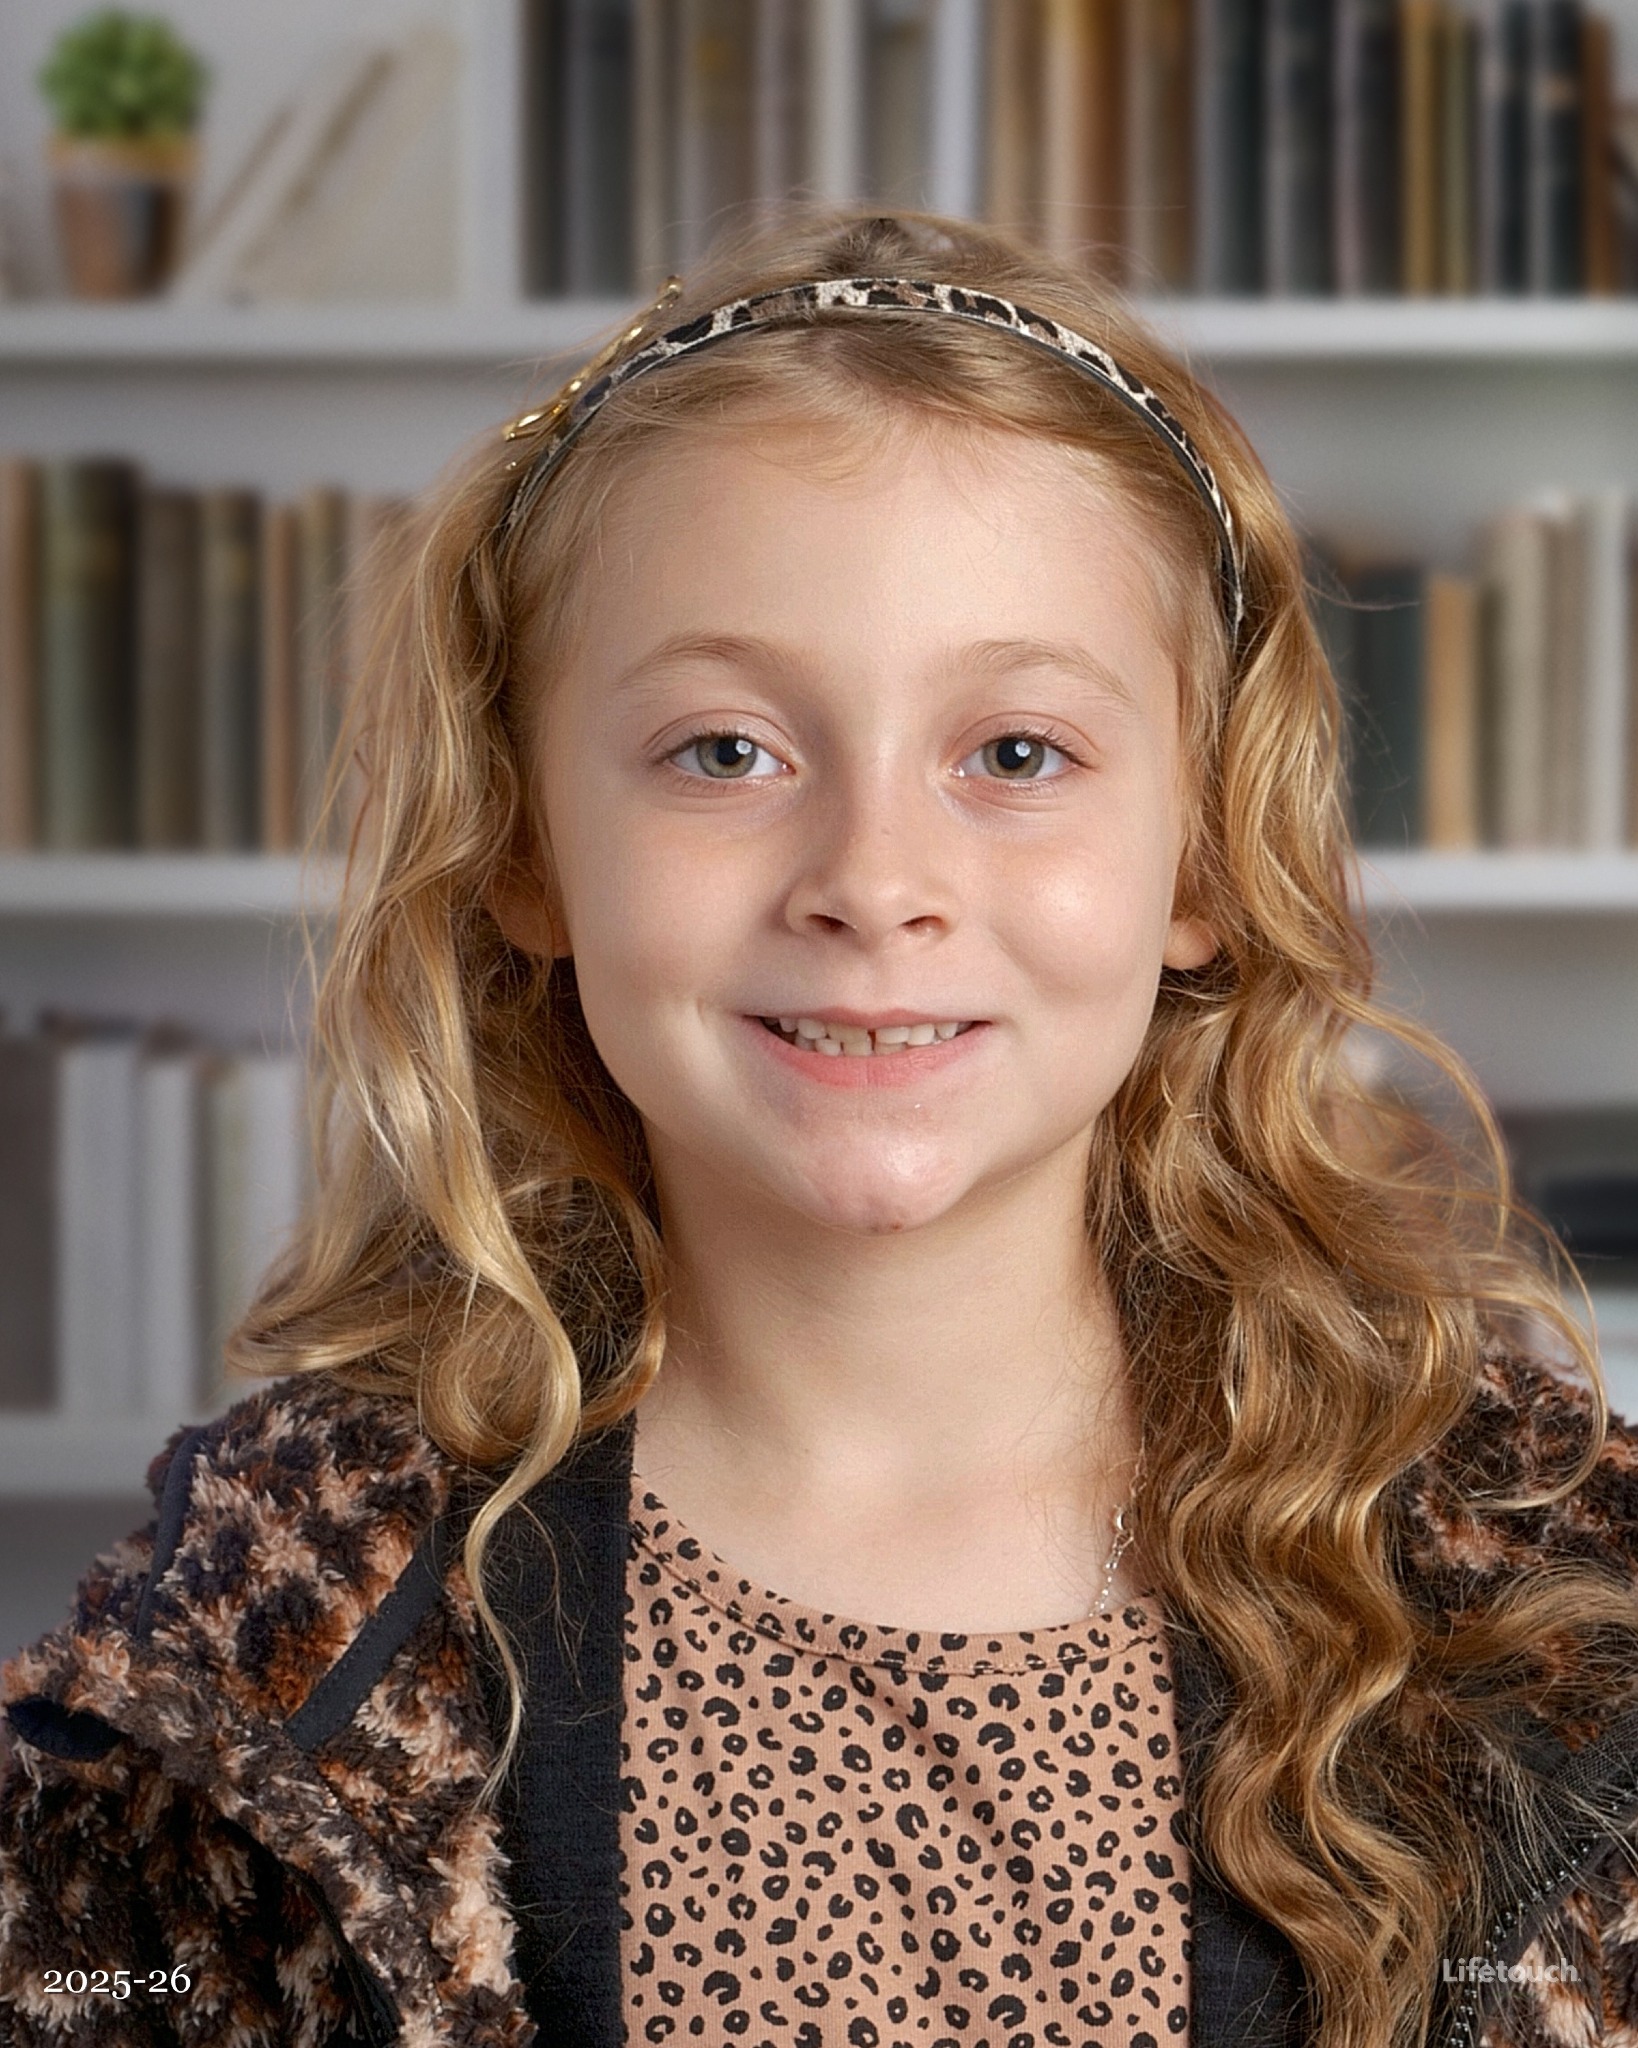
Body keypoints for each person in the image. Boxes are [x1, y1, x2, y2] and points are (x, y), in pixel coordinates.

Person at [4, 205, 1638, 2048]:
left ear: (1198, 858)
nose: (871, 881)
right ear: (527, 849)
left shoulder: (1547, 1609)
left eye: (1013, 755)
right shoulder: (275, 1626)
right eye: (726, 752)